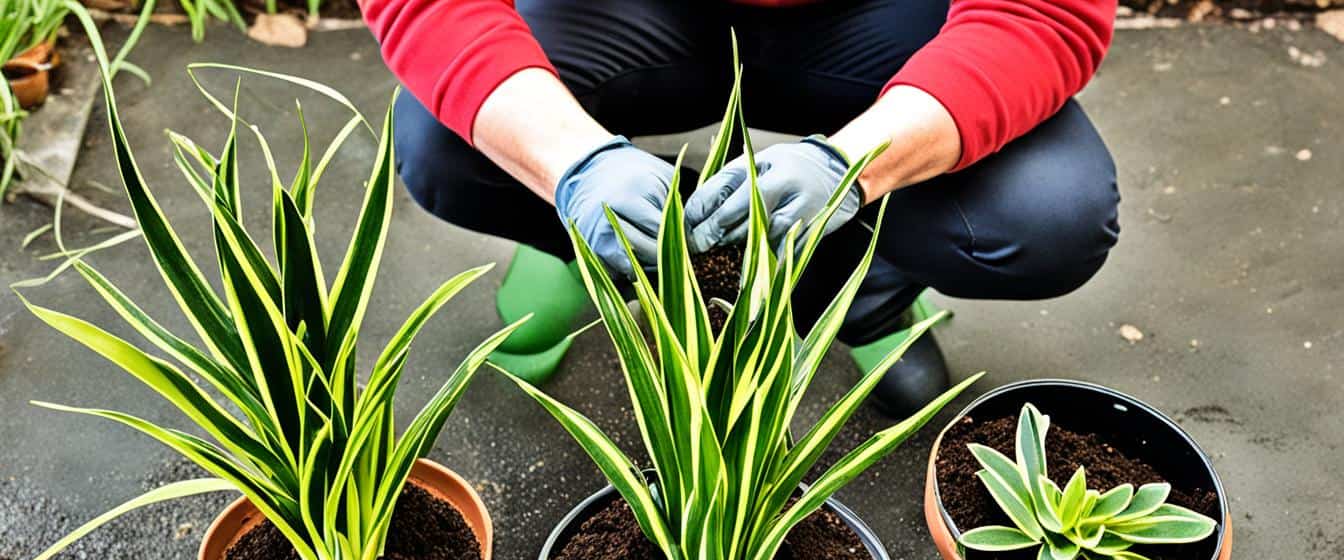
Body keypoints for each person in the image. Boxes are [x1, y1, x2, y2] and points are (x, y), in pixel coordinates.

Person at [360, 0, 1121, 417]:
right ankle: (613, 240)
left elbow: (1043, 15)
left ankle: (857, 286)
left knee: (1050, 213)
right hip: (634, 13)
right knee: (440, 141)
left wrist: (851, 168)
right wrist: (570, 164)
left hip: (882, 18)